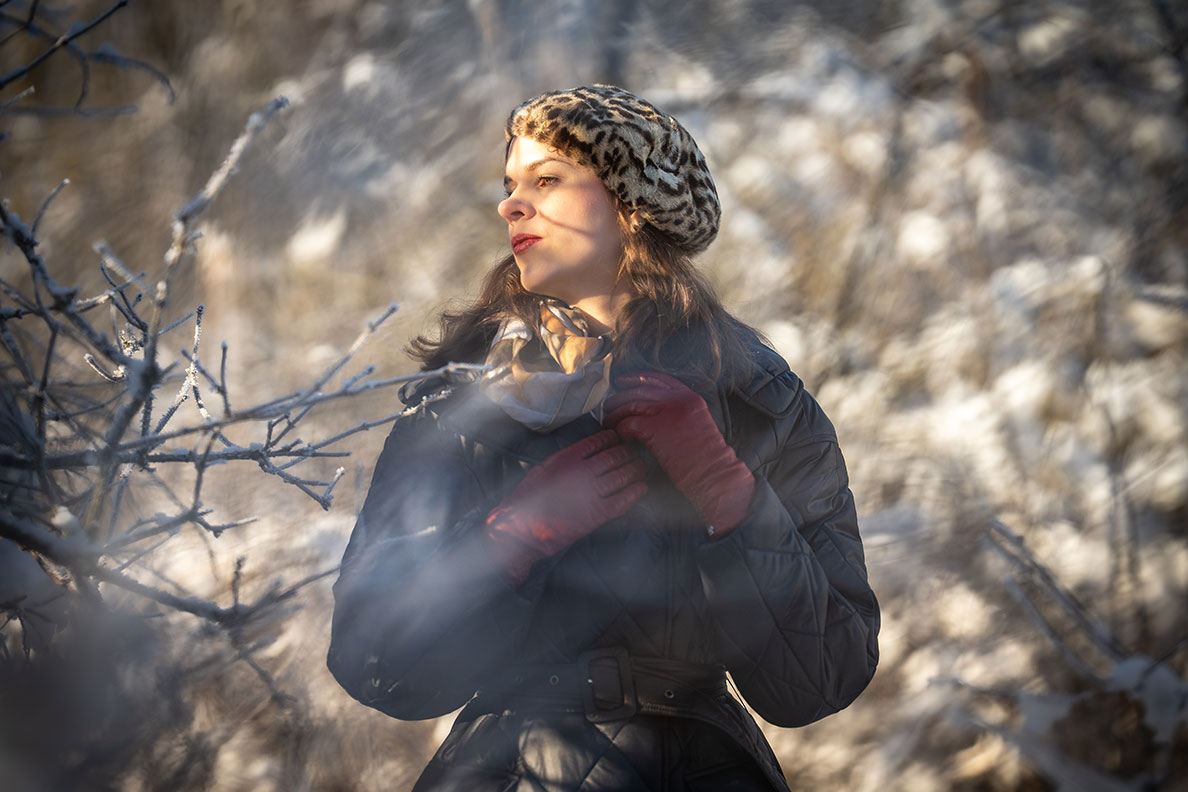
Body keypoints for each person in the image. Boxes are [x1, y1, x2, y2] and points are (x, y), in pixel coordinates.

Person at [328, 84, 879, 792]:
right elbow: (378, 667)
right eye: (509, 185)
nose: (510, 205)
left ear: (633, 205)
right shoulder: (459, 401)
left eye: (547, 180)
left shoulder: (760, 399)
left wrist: (730, 493)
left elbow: (823, 677)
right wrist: (509, 538)